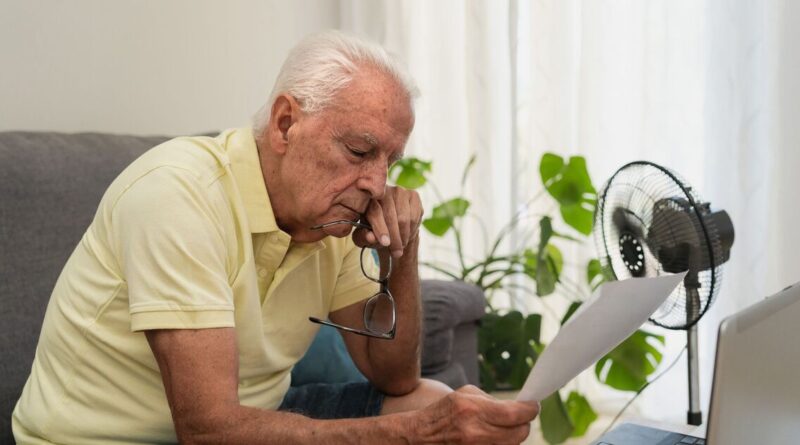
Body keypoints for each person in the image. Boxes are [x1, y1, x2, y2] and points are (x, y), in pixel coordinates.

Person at [12, 30, 539, 444]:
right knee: (422, 425)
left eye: (389, 161)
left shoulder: (335, 214)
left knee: (429, 399)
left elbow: (396, 379)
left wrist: (403, 249)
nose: (377, 184)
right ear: (286, 123)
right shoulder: (178, 194)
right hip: (113, 438)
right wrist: (411, 434)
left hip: (255, 419)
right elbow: (208, 429)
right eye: (360, 151)